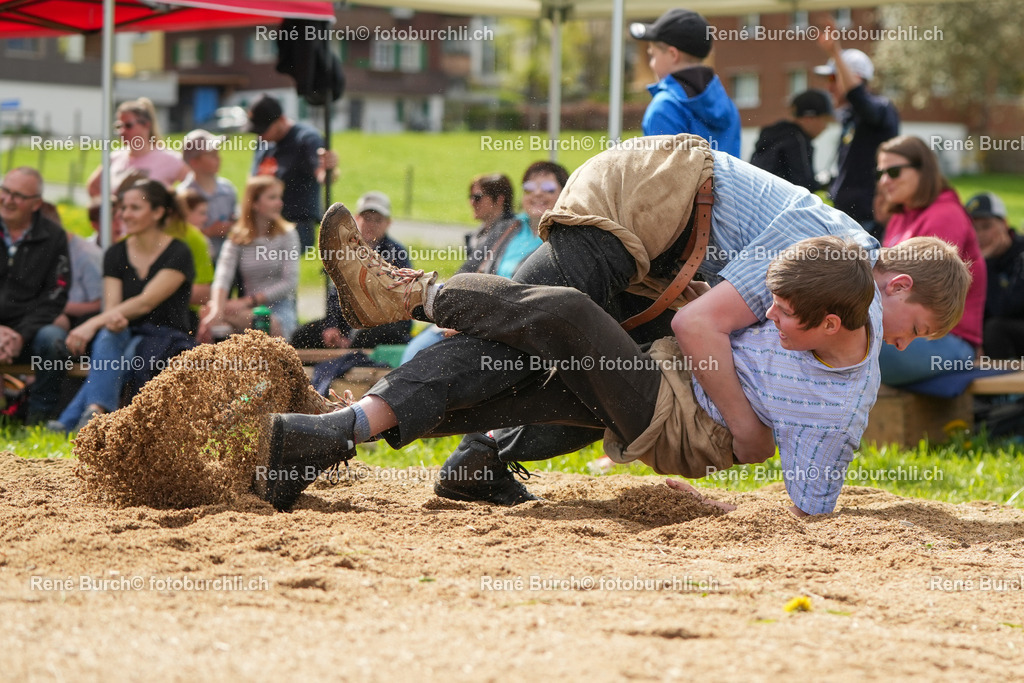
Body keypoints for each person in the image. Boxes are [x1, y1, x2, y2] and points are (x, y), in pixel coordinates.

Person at [297, 135, 969, 503]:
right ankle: (403, 297)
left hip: (679, 249)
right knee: (538, 325)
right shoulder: (834, 251)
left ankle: (475, 459)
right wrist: (746, 427)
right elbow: (702, 325)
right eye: (913, 326)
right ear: (899, 281)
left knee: (596, 383)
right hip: (654, 194)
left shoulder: (842, 279)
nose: (898, 340)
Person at [52, 180, 195, 432]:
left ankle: (73, 421)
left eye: (134, 208)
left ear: (158, 212)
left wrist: (91, 324)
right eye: (123, 208)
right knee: (111, 334)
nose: (125, 215)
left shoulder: (178, 252)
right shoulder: (115, 254)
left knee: (124, 352)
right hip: (124, 332)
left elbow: (146, 302)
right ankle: (94, 413)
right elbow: (113, 306)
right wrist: (111, 320)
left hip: (165, 336)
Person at [400, 164, 562, 364]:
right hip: (475, 317)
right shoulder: (507, 228)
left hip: (518, 329)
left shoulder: (564, 238)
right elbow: (467, 271)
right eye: (529, 188)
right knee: (416, 351)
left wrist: (474, 320)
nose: (537, 194)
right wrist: (444, 302)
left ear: (565, 193)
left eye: (547, 188)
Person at [876, 135, 986, 386]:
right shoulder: (900, 217)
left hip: (948, 340)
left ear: (923, 170)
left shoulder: (945, 215)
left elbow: (929, 290)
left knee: (843, 338)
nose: (884, 181)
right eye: (880, 173)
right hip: (911, 331)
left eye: (894, 171)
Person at [291, 191, 412, 351]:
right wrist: (332, 326)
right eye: (367, 218)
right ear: (356, 219)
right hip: (349, 322)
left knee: (366, 336)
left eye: (378, 220)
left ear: (388, 223)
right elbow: (335, 294)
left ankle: (350, 350)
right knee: (300, 336)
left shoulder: (397, 253)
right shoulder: (346, 251)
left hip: (384, 321)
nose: (371, 224)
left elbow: (398, 298)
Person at [0, 168, 71, 424]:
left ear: (36, 203)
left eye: (18, 195)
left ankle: (40, 420)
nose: (8, 200)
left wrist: (20, 334)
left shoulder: (53, 237)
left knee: (53, 340)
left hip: (29, 333)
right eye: (5, 190)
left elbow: (56, 295)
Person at [201, 176, 300, 340]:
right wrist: (218, 309)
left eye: (279, 197)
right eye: (272, 197)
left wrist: (248, 301)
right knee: (211, 311)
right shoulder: (238, 238)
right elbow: (222, 276)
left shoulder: (287, 235)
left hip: (278, 312)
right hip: (246, 312)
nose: (279, 203)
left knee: (264, 321)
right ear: (254, 204)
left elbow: (289, 283)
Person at [630, 8, 740, 156]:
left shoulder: (664, 108)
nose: (651, 64)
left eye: (653, 55)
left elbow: (661, 176)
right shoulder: (727, 105)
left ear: (673, 54)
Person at [815, 37, 900, 225]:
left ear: (856, 79)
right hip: (847, 217)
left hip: (868, 220)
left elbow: (859, 97)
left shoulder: (881, 109)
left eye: (833, 78)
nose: (828, 87)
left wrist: (836, 54)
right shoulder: (850, 117)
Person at [248, 94, 337, 251]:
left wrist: (330, 167)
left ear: (281, 120)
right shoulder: (263, 141)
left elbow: (323, 175)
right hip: (262, 224)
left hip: (296, 226)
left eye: (263, 130)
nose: (260, 135)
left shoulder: (307, 139)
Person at [87, 97, 188, 198]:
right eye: (119, 126)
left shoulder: (170, 159)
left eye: (128, 125)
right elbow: (93, 188)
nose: (122, 131)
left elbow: (192, 189)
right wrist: (114, 207)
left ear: (147, 125)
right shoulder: (115, 157)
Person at [965, 192, 1024, 360]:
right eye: (973, 228)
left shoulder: (1020, 253)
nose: (979, 235)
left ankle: (1006, 382)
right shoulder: (968, 257)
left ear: (1004, 224)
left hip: (1012, 327)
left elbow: (1004, 308)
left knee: (995, 328)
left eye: (986, 226)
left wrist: (984, 264)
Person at [749, 89, 833, 192]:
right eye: (825, 120)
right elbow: (805, 186)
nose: (825, 127)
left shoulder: (773, 136)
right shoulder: (798, 140)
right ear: (809, 118)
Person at [177, 129, 238, 262]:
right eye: (212, 155)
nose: (218, 158)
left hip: (228, 262)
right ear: (194, 162)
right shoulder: (182, 195)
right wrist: (208, 232)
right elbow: (178, 235)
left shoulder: (228, 190)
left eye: (217, 153)